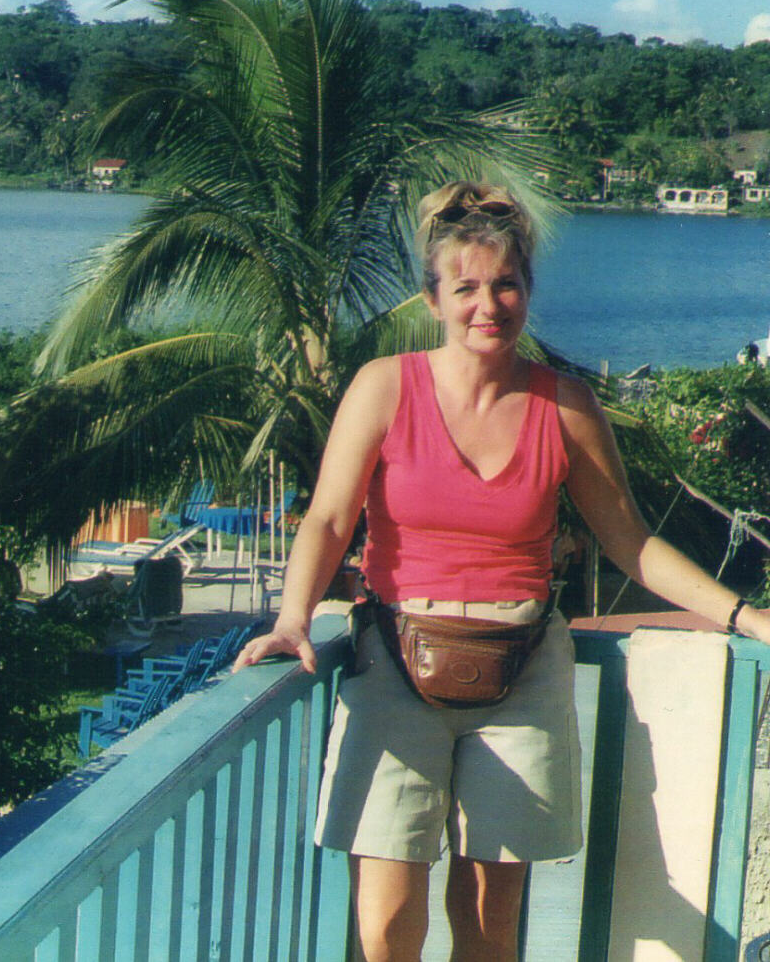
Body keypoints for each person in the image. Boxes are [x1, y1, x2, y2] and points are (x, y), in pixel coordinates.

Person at [233, 181, 770, 962]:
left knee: (490, 919)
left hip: (522, 673)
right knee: (384, 926)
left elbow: (631, 542)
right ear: (433, 298)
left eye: (506, 284)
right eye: (467, 287)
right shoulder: (385, 386)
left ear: (528, 290)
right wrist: (292, 618)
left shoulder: (567, 405)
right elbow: (326, 518)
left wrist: (749, 616)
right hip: (393, 659)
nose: (489, 304)